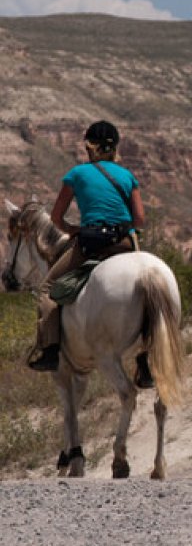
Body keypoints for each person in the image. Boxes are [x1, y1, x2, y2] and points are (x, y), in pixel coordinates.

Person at [28, 121, 150, 382]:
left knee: (48, 289)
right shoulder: (128, 177)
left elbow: (57, 218)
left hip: (91, 243)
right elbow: (139, 220)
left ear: (90, 148)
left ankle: (49, 351)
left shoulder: (76, 174)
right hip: (124, 243)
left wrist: (71, 229)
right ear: (114, 148)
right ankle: (148, 356)